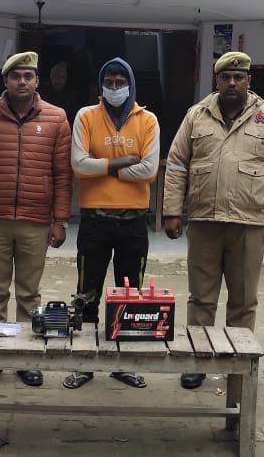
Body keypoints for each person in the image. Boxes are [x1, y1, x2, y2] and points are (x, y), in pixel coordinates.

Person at [162, 51, 264, 390]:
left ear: (249, 80)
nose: (232, 82)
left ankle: (238, 363)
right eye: (226, 77)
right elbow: (176, 165)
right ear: (216, 81)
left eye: (239, 77)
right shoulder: (197, 116)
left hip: (249, 223)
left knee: (244, 299)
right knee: (201, 298)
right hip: (204, 221)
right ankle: (197, 361)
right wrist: (172, 211)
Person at [0, 51, 73, 388]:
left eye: (28, 76)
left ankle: (25, 357)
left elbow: (62, 175)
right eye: (15, 76)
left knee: (29, 295)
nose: (22, 82)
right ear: (5, 80)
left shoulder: (57, 118)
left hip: (35, 221)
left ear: (37, 81)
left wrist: (60, 220)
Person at [64, 58, 159, 390]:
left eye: (121, 82)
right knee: (86, 293)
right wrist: (121, 162)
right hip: (94, 220)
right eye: (110, 82)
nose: (115, 88)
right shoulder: (86, 116)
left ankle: (124, 364)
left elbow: (149, 170)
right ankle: (84, 364)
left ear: (131, 85)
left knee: (129, 296)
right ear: (101, 85)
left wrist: (101, 166)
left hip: (134, 222)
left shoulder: (148, 120)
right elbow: (78, 165)